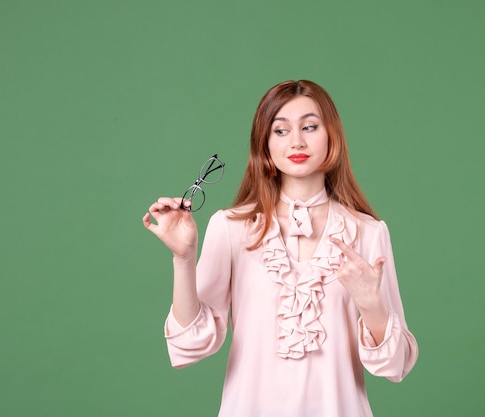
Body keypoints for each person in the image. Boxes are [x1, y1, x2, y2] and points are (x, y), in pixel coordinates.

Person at [142, 80, 418, 417]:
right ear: (265, 144)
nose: (297, 141)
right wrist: (183, 258)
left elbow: (396, 364)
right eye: (281, 130)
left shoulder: (368, 232)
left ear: (331, 135)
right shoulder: (231, 227)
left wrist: (371, 304)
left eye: (310, 127)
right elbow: (190, 346)